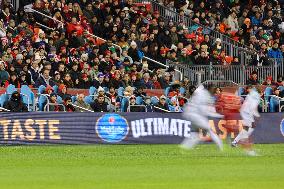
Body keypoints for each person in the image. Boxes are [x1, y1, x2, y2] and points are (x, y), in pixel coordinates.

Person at [181, 84, 224, 150]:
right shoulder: (205, 95)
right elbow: (204, 111)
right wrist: (219, 116)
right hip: (194, 114)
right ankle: (221, 147)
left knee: (196, 132)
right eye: (213, 89)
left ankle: (185, 147)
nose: (214, 91)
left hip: (189, 113)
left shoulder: (201, 92)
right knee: (209, 129)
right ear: (209, 89)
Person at [231, 88, 261, 156]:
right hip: (247, 113)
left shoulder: (250, 95)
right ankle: (243, 142)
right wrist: (257, 115)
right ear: (260, 93)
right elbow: (253, 107)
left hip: (244, 111)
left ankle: (235, 142)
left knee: (248, 127)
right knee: (249, 127)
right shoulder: (256, 97)